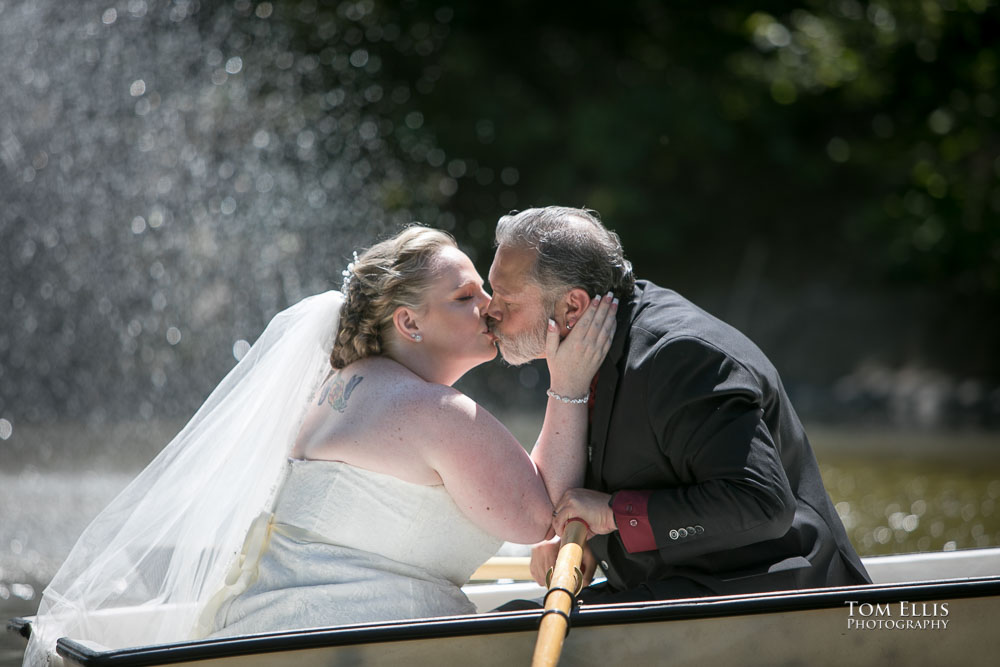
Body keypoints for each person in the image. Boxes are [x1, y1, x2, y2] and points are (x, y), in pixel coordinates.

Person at [23, 225, 616, 664]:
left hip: (260, 633)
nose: (489, 307)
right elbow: (543, 515)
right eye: (465, 298)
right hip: (356, 646)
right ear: (409, 323)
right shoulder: (436, 413)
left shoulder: (338, 386)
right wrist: (567, 386)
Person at [485, 206, 871, 604]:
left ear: (572, 307)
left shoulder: (680, 359)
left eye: (507, 301)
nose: (489, 311)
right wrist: (588, 541)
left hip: (777, 591)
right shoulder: (591, 345)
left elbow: (761, 503)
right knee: (507, 621)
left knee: (507, 626)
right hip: (682, 582)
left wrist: (617, 515)